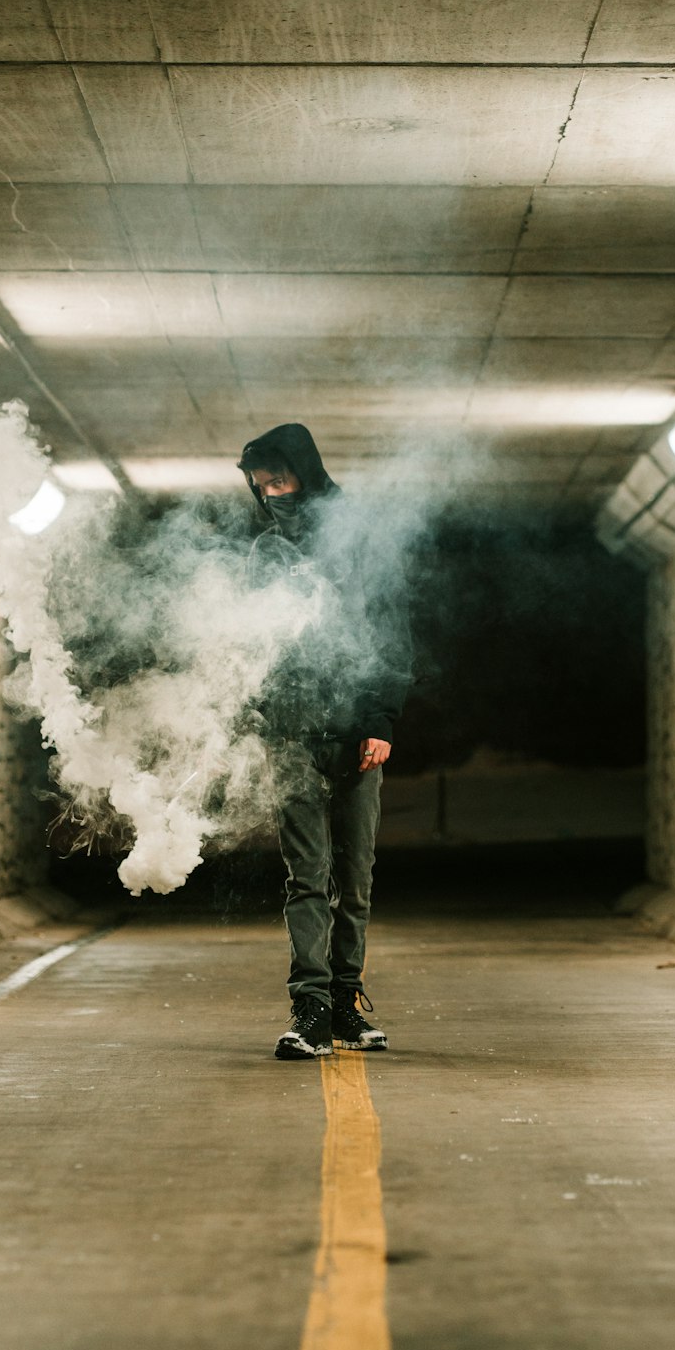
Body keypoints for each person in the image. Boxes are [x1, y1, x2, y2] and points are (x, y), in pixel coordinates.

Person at [237, 423, 409, 1060]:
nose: (273, 495)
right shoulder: (266, 553)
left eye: (280, 480)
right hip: (291, 734)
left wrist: (381, 720)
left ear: (307, 473)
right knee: (306, 879)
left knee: (355, 877)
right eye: (262, 487)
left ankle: (345, 1001)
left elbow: (391, 630)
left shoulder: (357, 538)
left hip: (356, 733)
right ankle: (308, 1007)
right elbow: (255, 641)